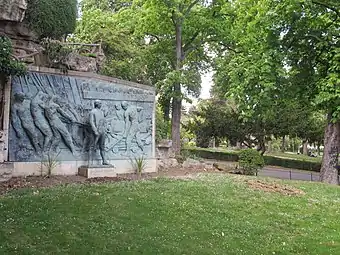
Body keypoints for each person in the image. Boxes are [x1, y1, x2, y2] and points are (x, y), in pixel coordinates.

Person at [89, 100, 109, 165]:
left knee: (102, 146)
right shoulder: (92, 112)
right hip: (96, 131)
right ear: (97, 104)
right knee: (92, 146)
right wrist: (95, 131)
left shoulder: (101, 112)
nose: (101, 105)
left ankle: (104, 160)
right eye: (100, 103)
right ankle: (90, 161)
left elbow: (103, 120)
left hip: (102, 131)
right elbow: (91, 122)